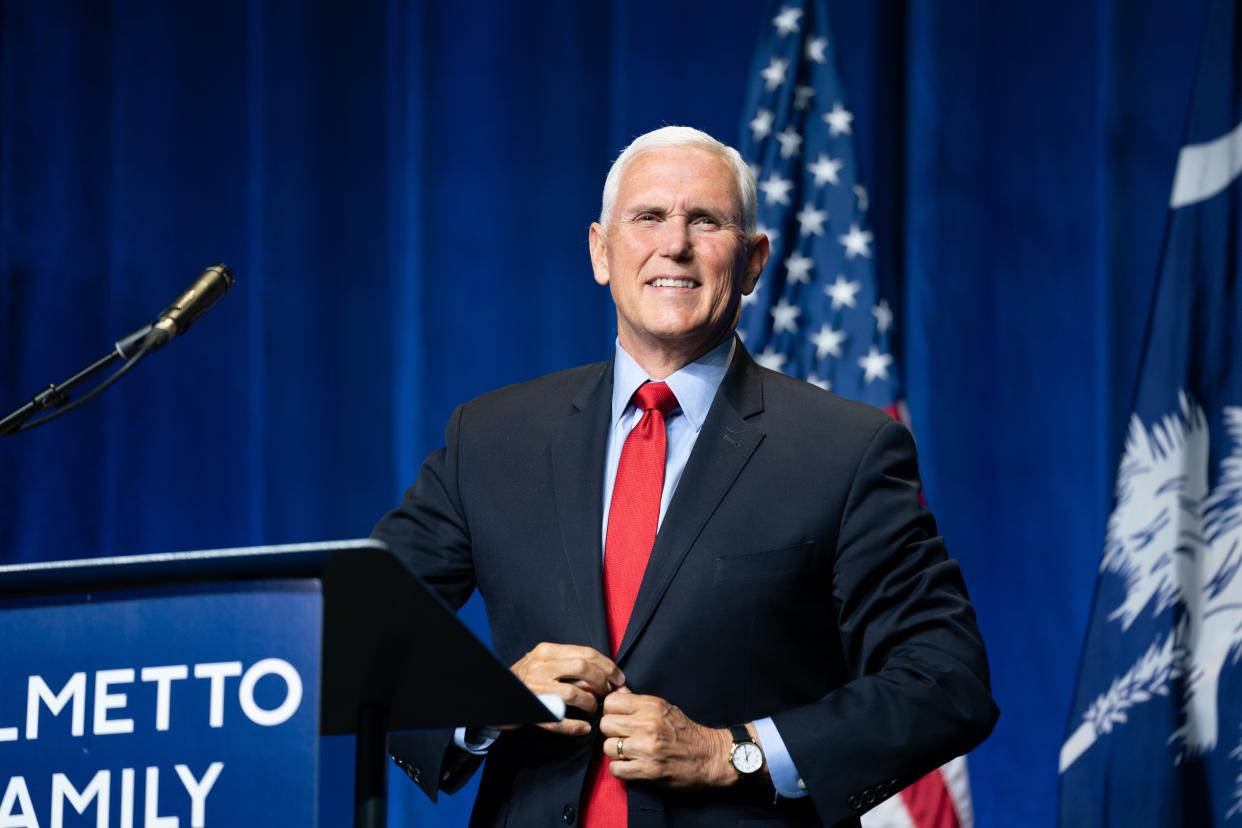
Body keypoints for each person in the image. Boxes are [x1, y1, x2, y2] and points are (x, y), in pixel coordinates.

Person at [374, 126, 997, 827]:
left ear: (755, 261)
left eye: (705, 220)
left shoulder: (848, 450)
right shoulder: (490, 438)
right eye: (647, 218)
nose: (675, 244)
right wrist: (488, 699)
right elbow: (358, 632)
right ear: (600, 252)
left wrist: (734, 754)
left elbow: (946, 682)